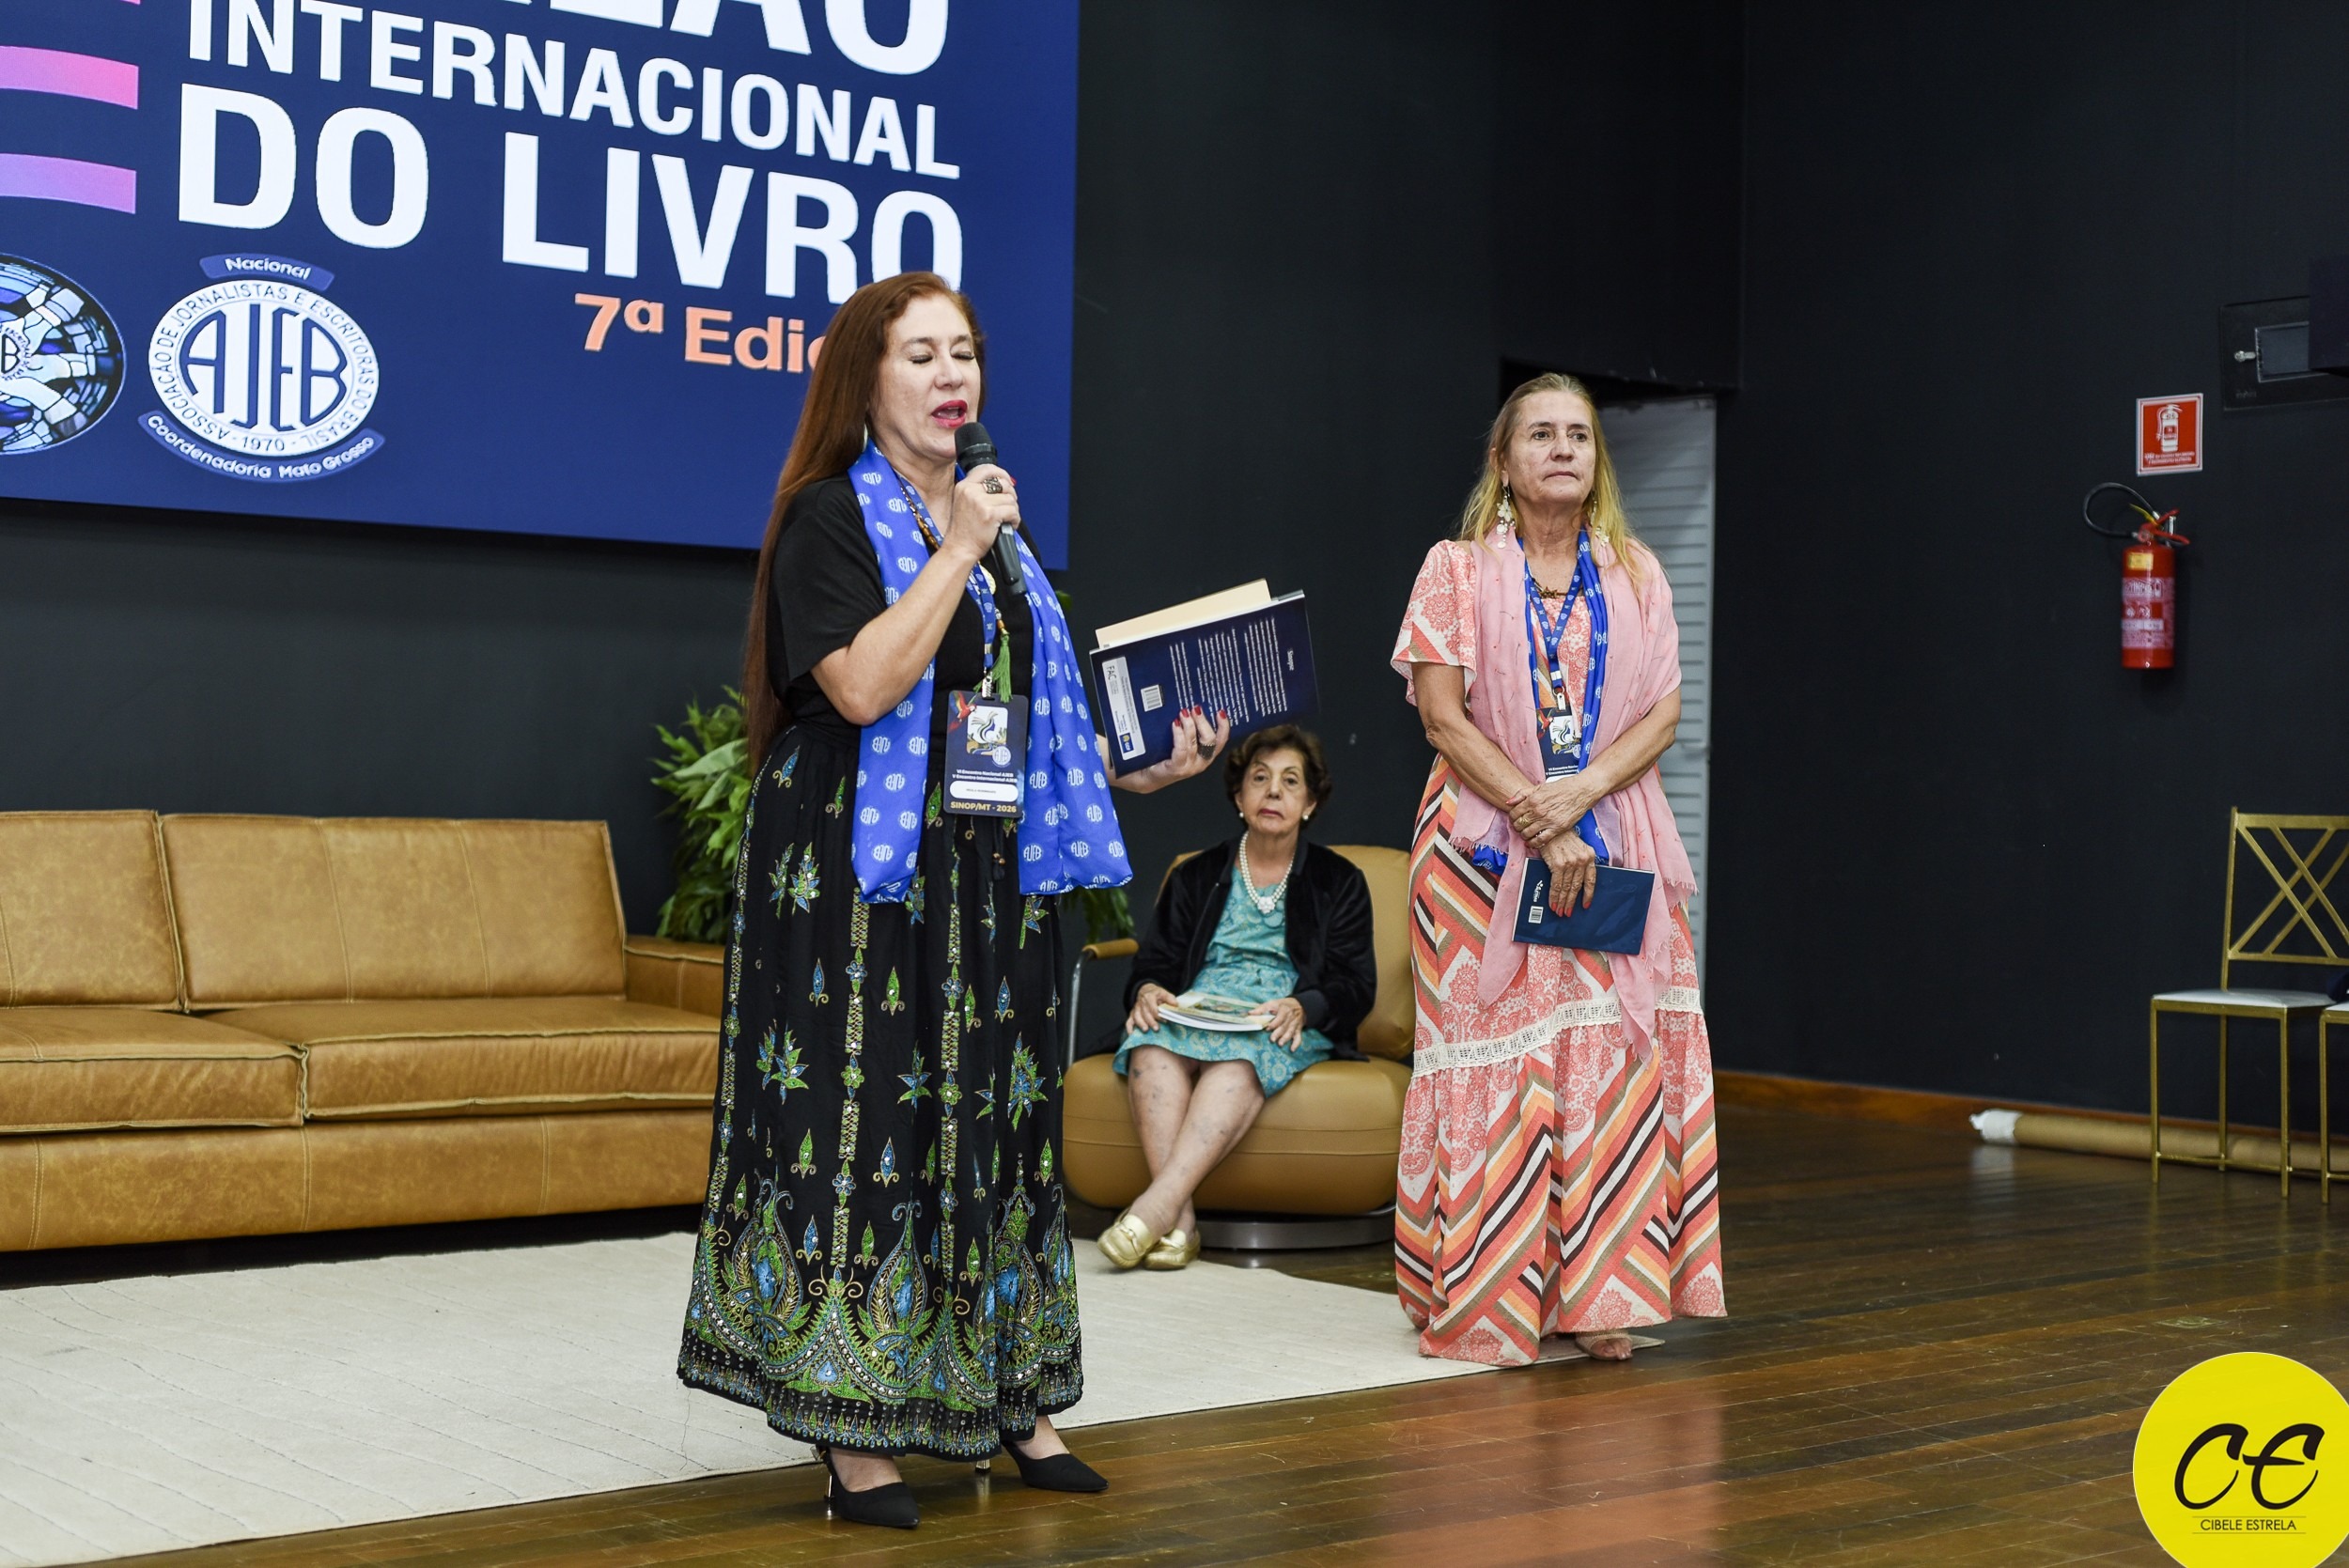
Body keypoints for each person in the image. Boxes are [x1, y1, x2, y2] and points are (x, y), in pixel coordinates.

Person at [677, 272, 1229, 1529]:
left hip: (987, 875)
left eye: (963, 352)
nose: (949, 375)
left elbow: (1017, 722)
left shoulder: (999, 533)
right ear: (865, 380)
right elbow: (863, 687)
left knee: (994, 1123)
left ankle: (1009, 1396)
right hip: (856, 877)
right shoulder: (831, 516)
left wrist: (1142, 766)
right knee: (861, 1120)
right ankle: (851, 1428)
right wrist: (962, 548)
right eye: (919, 353)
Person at [1391, 373, 1724, 1368]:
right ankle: (1485, 1296)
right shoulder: (1454, 568)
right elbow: (1442, 715)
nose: (1563, 448)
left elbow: (1663, 713)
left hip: (1612, 841)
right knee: (1498, 1065)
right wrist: (1537, 816)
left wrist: (1576, 798)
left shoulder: (1637, 572)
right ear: (1503, 462)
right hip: (1475, 852)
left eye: (1578, 434)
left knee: (1609, 1063)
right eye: (1539, 433)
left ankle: (1595, 1295)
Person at [1102, 726, 1378, 1270]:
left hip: (1276, 1018)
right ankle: (1180, 1223)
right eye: (1260, 778)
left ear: (1310, 803)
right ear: (1238, 796)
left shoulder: (1340, 881)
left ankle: (1153, 1209)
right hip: (1197, 1008)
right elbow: (1154, 964)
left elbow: (1355, 984)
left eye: (1290, 781)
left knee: (1239, 1060)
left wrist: (1303, 1006)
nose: (1273, 791)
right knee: (1148, 1046)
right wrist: (1149, 990)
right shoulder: (1196, 874)